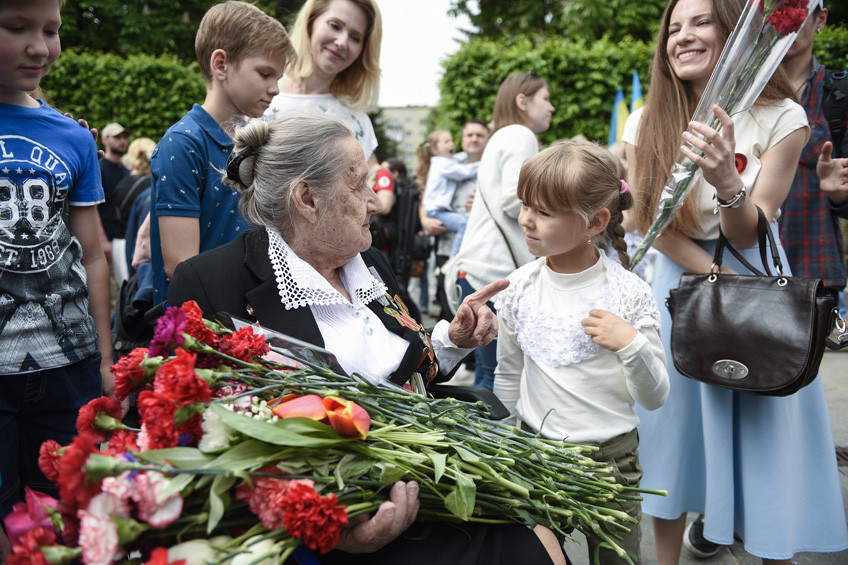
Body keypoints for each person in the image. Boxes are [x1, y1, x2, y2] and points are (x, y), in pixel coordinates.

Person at [167, 114, 567, 565]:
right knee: (529, 546)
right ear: (307, 198)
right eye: (358, 186)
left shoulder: (367, 261)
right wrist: (339, 531)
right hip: (339, 522)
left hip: (431, 481)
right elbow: (203, 441)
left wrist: (453, 339)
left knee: (539, 529)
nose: (376, 201)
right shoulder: (211, 283)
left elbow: (407, 367)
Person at [622, 0, 848, 563]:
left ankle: (770, 548)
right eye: (674, 28)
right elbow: (648, 222)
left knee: (764, 435)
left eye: (700, 22)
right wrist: (713, 276)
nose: (683, 36)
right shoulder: (645, 120)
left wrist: (726, 181)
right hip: (676, 290)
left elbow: (752, 231)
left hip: (756, 292)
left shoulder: (782, 119)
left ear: (734, 31)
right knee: (670, 438)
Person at [494, 140, 670, 565]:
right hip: (537, 456)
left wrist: (631, 344)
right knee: (532, 556)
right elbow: (508, 375)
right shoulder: (518, 287)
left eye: (545, 212)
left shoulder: (627, 293)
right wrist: (504, 445)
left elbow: (655, 396)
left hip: (610, 464)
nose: (527, 221)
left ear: (595, 222)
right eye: (525, 206)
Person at [0, 0, 116, 521]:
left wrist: (107, 359)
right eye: (17, 27)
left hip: (69, 366)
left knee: (64, 516)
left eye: (51, 30)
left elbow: (94, 255)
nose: (40, 47)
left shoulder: (73, 136)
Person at [147, 0, 294, 304]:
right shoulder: (184, 143)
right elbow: (181, 265)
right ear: (220, 65)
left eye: (278, 78)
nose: (275, 88)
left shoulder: (259, 140)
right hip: (202, 327)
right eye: (265, 73)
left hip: (251, 316)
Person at [447, 71, 556, 390]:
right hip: (493, 276)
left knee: (489, 376)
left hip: (481, 273)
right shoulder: (519, 135)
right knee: (498, 382)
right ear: (522, 101)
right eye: (545, 99)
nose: (551, 108)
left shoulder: (504, 135)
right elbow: (514, 199)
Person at [778, 0, 848, 320]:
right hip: (746, 263)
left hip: (812, 263)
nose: (787, 20)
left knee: (805, 369)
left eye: (796, 8)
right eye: (777, 10)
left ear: (820, 18)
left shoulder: (839, 93)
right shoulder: (743, 92)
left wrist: (838, 191)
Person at [264, 0, 382, 167]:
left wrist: (385, 188)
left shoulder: (356, 121)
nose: (342, 42)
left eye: (355, 38)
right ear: (311, 22)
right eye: (335, 26)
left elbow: (370, 185)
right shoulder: (259, 89)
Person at [434, 119, 490, 320]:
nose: (474, 139)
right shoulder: (448, 163)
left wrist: (486, 199)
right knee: (450, 315)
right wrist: (425, 218)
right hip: (446, 251)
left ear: (488, 139)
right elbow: (428, 197)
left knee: (475, 318)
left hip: (478, 255)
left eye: (480, 135)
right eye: (469, 135)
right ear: (462, 139)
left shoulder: (492, 169)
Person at [417, 130, 480, 257]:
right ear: (434, 149)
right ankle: (454, 256)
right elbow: (465, 172)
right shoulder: (443, 164)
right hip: (437, 211)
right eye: (446, 141)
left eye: (451, 140)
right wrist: (483, 163)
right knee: (463, 224)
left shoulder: (442, 161)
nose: (451, 143)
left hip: (435, 210)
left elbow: (460, 157)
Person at [112, 137, 155, 281]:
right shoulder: (155, 183)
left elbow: (118, 214)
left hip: (120, 241)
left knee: (125, 290)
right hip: (144, 245)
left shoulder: (122, 184)